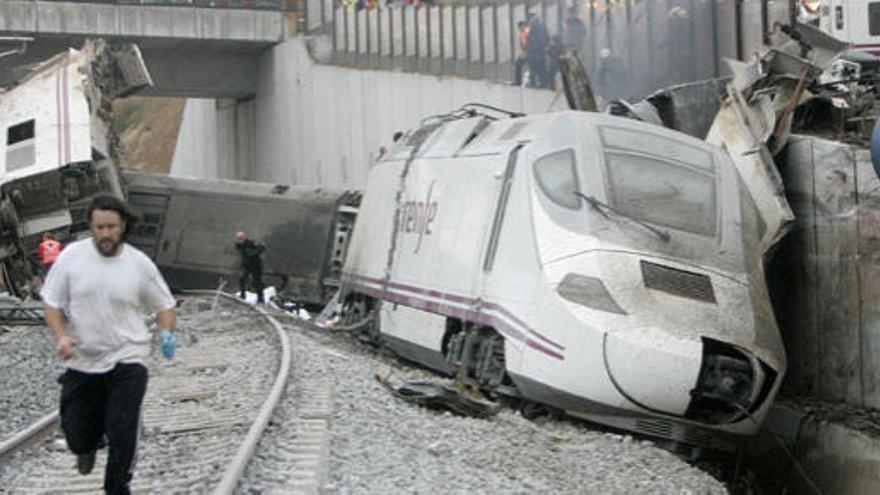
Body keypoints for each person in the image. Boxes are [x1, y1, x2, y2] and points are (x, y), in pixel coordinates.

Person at [40, 194, 177, 495]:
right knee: (77, 434)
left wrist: (166, 332)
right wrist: (61, 335)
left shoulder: (138, 264)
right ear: (91, 225)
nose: (105, 234)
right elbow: (52, 304)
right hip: (84, 358)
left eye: (111, 227)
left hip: (129, 356)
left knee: (122, 427)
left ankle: (117, 487)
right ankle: (87, 446)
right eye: (99, 227)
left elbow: (165, 306)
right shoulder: (72, 257)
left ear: (122, 226)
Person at [235, 231, 266, 304]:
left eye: (241, 238)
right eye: (239, 239)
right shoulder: (239, 245)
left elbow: (262, 248)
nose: (240, 240)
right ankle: (242, 296)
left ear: (244, 237)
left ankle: (260, 299)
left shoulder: (251, 243)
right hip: (247, 266)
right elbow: (244, 253)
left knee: (257, 282)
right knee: (242, 279)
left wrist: (254, 252)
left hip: (256, 265)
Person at [526, 13, 550, 88]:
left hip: (535, 50)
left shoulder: (534, 27)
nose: (529, 21)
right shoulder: (543, 26)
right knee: (541, 67)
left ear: (533, 19)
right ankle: (543, 83)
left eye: (530, 19)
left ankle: (533, 83)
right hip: (541, 50)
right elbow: (547, 38)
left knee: (533, 66)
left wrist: (531, 47)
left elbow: (532, 39)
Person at [512, 20, 530, 86]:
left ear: (524, 25)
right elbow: (521, 44)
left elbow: (530, 43)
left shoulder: (527, 31)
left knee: (532, 67)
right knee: (517, 64)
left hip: (529, 52)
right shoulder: (522, 32)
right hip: (525, 52)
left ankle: (521, 82)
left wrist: (526, 52)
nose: (519, 29)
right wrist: (519, 53)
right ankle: (518, 81)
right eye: (519, 27)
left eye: (520, 27)